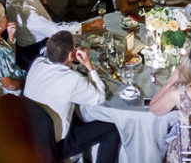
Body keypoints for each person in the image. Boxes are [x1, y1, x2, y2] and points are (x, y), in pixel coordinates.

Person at [23, 31, 121, 163]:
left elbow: (62, 72)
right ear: (71, 54)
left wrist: (71, 61)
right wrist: (88, 65)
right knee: (113, 129)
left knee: (77, 114)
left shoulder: (38, 63)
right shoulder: (72, 80)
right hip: (56, 146)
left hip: (29, 134)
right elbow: (100, 97)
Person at [5, 0, 102, 70]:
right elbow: (53, 30)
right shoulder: (24, 10)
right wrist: (85, 26)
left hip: (42, 34)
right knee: (83, 48)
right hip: (34, 50)